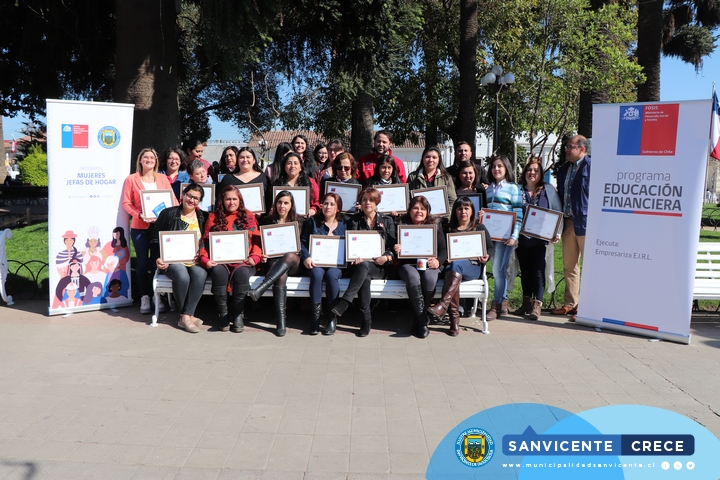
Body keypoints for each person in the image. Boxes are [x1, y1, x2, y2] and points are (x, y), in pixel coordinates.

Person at [329, 187, 397, 337]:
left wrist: (386, 257)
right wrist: (353, 256)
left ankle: (346, 301)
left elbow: (394, 246)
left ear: (377, 202)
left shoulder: (387, 221)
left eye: (371, 200)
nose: (367, 203)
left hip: (380, 266)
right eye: (364, 200)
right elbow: (350, 245)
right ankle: (366, 320)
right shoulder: (354, 220)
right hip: (360, 266)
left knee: (366, 267)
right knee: (364, 274)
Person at [199, 185, 262, 333]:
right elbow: (205, 241)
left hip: (244, 261)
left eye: (235, 199)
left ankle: (238, 314)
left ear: (240, 200)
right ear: (222, 200)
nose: (231, 202)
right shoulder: (214, 217)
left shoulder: (248, 216)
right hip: (220, 260)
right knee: (218, 273)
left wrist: (255, 257)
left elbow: (257, 241)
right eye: (228, 199)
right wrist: (205, 259)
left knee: (241, 274)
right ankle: (223, 314)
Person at [122, 147, 177, 314]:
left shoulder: (162, 179)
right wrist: (138, 214)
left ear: (156, 161)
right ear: (140, 160)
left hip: (159, 228)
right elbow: (126, 203)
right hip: (140, 227)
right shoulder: (131, 179)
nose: (149, 160)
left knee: (156, 262)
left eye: (152, 158)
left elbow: (172, 199)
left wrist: (175, 213)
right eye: (145, 157)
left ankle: (156, 296)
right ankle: (145, 297)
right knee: (142, 263)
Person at [428, 197, 493, 335]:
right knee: (454, 271)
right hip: (452, 269)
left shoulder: (479, 227)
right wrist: (445, 259)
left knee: (455, 268)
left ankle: (444, 306)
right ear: (455, 211)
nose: (463, 211)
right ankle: (454, 322)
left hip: (473, 267)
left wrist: (486, 256)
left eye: (466, 208)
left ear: (471, 211)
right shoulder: (448, 229)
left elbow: (490, 248)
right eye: (459, 208)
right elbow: (442, 250)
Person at [247, 191, 304, 336]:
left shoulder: (300, 222)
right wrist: (263, 256)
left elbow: (303, 246)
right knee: (281, 275)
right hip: (274, 262)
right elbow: (260, 245)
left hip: (295, 263)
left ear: (291, 205)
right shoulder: (267, 221)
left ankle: (261, 288)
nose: (282, 206)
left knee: (290, 256)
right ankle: (281, 322)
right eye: (279, 202)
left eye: (286, 203)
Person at [154, 184, 209, 333]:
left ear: (200, 201)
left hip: (195, 260)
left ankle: (186, 315)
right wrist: (158, 258)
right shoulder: (168, 214)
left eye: (196, 198)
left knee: (200, 274)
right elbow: (154, 240)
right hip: (172, 260)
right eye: (189, 195)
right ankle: (186, 318)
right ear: (183, 195)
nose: (192, 200)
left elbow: (208, 241)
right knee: (182, 275)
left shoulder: (204, 216)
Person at [393, 196, 447, 338]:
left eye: (422, 209)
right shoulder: (400, 224)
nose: (419, 211)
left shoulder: (435, 224)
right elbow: (390, 247)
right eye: (415, 208)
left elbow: (443, 250)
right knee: (413, 277)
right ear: (409, 210)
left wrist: (438, 261)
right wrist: (396, 248)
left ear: (427, 211)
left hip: (429, 264)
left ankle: (419, 319)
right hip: (408, 264)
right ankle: (422, 320)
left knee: (430, 278)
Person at [514, 161, 562, 320]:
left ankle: (537, 304)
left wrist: (558, 232)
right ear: (524, 172)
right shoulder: (518, 189)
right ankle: (526, 301)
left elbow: (557, 210)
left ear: (541, 173)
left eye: (536, 170)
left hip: (541, 239)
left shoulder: (548, 189)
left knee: (538, 271)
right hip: (522, 238)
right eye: (529, 170)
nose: (532, 172)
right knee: (525, 271)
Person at [551, 135, 590, 322]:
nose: (566, 149)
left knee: (589, 267)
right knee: (569, 266)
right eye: (566, 146)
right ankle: (570, 303)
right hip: (567, 223)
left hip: (586, 223)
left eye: (570, 147)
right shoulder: (564, 169)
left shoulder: (592, 167)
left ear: (582, 149)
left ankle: (587, 307)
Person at [300, 193, 348, 335]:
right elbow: (303, 243)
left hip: (336, 264)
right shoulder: (312, 222)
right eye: (326, 203)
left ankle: (331, 317)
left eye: (332, 204)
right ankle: (315, 317)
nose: (328, 207)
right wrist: (306, 257)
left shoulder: (345, 224)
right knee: (316, 273)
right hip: (316, 262)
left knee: (332, 275)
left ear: (338, 208)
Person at [484, 155, 523, 319]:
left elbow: (518, 214)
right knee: (497, 269)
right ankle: (504, 303)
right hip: (491, 237)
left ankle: (496, 305)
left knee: (497, 270)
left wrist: (514, 236)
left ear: (506, 168)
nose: (496, 169)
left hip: (506, 237)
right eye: (493, 166)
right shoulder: (489, 189)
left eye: (500, 166)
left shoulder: (513, 188)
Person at [406, 146, 457, 219]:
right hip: (418, 220)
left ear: (439, 160)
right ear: (423, 158)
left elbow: (452, 201)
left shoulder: (446, 177)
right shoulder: (413, 177)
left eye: (434, 157)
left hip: (440, 221)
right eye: (427, 157)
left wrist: (445, 216)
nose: (430, 160)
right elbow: (408, 200)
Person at [270, 152, 320, 217]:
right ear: (284, 166)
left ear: (300, 167)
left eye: (295, 163)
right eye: (289, 163)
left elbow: (317, 201)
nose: (292, 166)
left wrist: (313, 209)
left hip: (304, 220)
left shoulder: (310, 182)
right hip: (284, 220)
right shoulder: (277, 184)